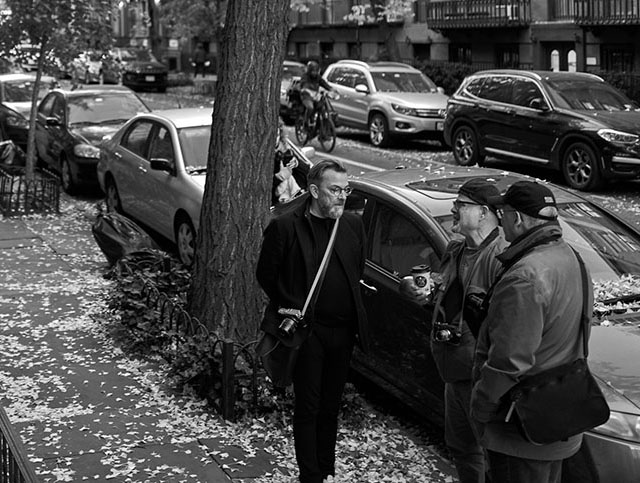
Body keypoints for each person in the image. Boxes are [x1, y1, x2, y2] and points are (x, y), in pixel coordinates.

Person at [256, 159, 369, 483]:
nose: (341, 196)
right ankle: (311, 475)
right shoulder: (286, 225)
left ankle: (326, 468)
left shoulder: (351, 225)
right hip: (308, 331)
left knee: (331, 405)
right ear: (315, 190)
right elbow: (266, 274)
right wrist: (291, 305)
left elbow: (355, 269)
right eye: (335, 190)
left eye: (345, 190)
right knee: (309, 405)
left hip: (343, 331)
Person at [470, 181, 589, 483]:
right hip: (559, 416)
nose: (499, 219)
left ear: (518, 219)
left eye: (502, 212)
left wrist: (480, 407)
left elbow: (509, 361)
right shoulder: (572, 258)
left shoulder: (525, 276)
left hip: (519, 430)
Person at [400, 178, 507, 483]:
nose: (453, 209)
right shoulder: (456, 247)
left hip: (479, 375)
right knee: (462, 449)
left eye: (461, 204)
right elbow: (441, 290)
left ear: (484, 212)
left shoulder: (501, 257)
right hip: (452, 372)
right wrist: (414, 290)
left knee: (492, 457)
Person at [273, 117, 307, 205]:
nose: (274, 140)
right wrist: (278, 179)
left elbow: (308, 173)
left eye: (276, 135)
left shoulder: (286, 149)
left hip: (297, 200)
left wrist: (297, 164)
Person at [299, 60, 332, 128]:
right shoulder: (305, 77)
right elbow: (304, 85)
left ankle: (322, 129)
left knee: (322, 109)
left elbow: (323, 83)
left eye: (316, 71)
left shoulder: (318, 77)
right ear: (309, 70)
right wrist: (307, 89)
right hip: (306, 97)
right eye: (313, 71)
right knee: (310, 107)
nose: (315, 73)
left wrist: (331, 89)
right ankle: (305, 122)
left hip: (316, 97)